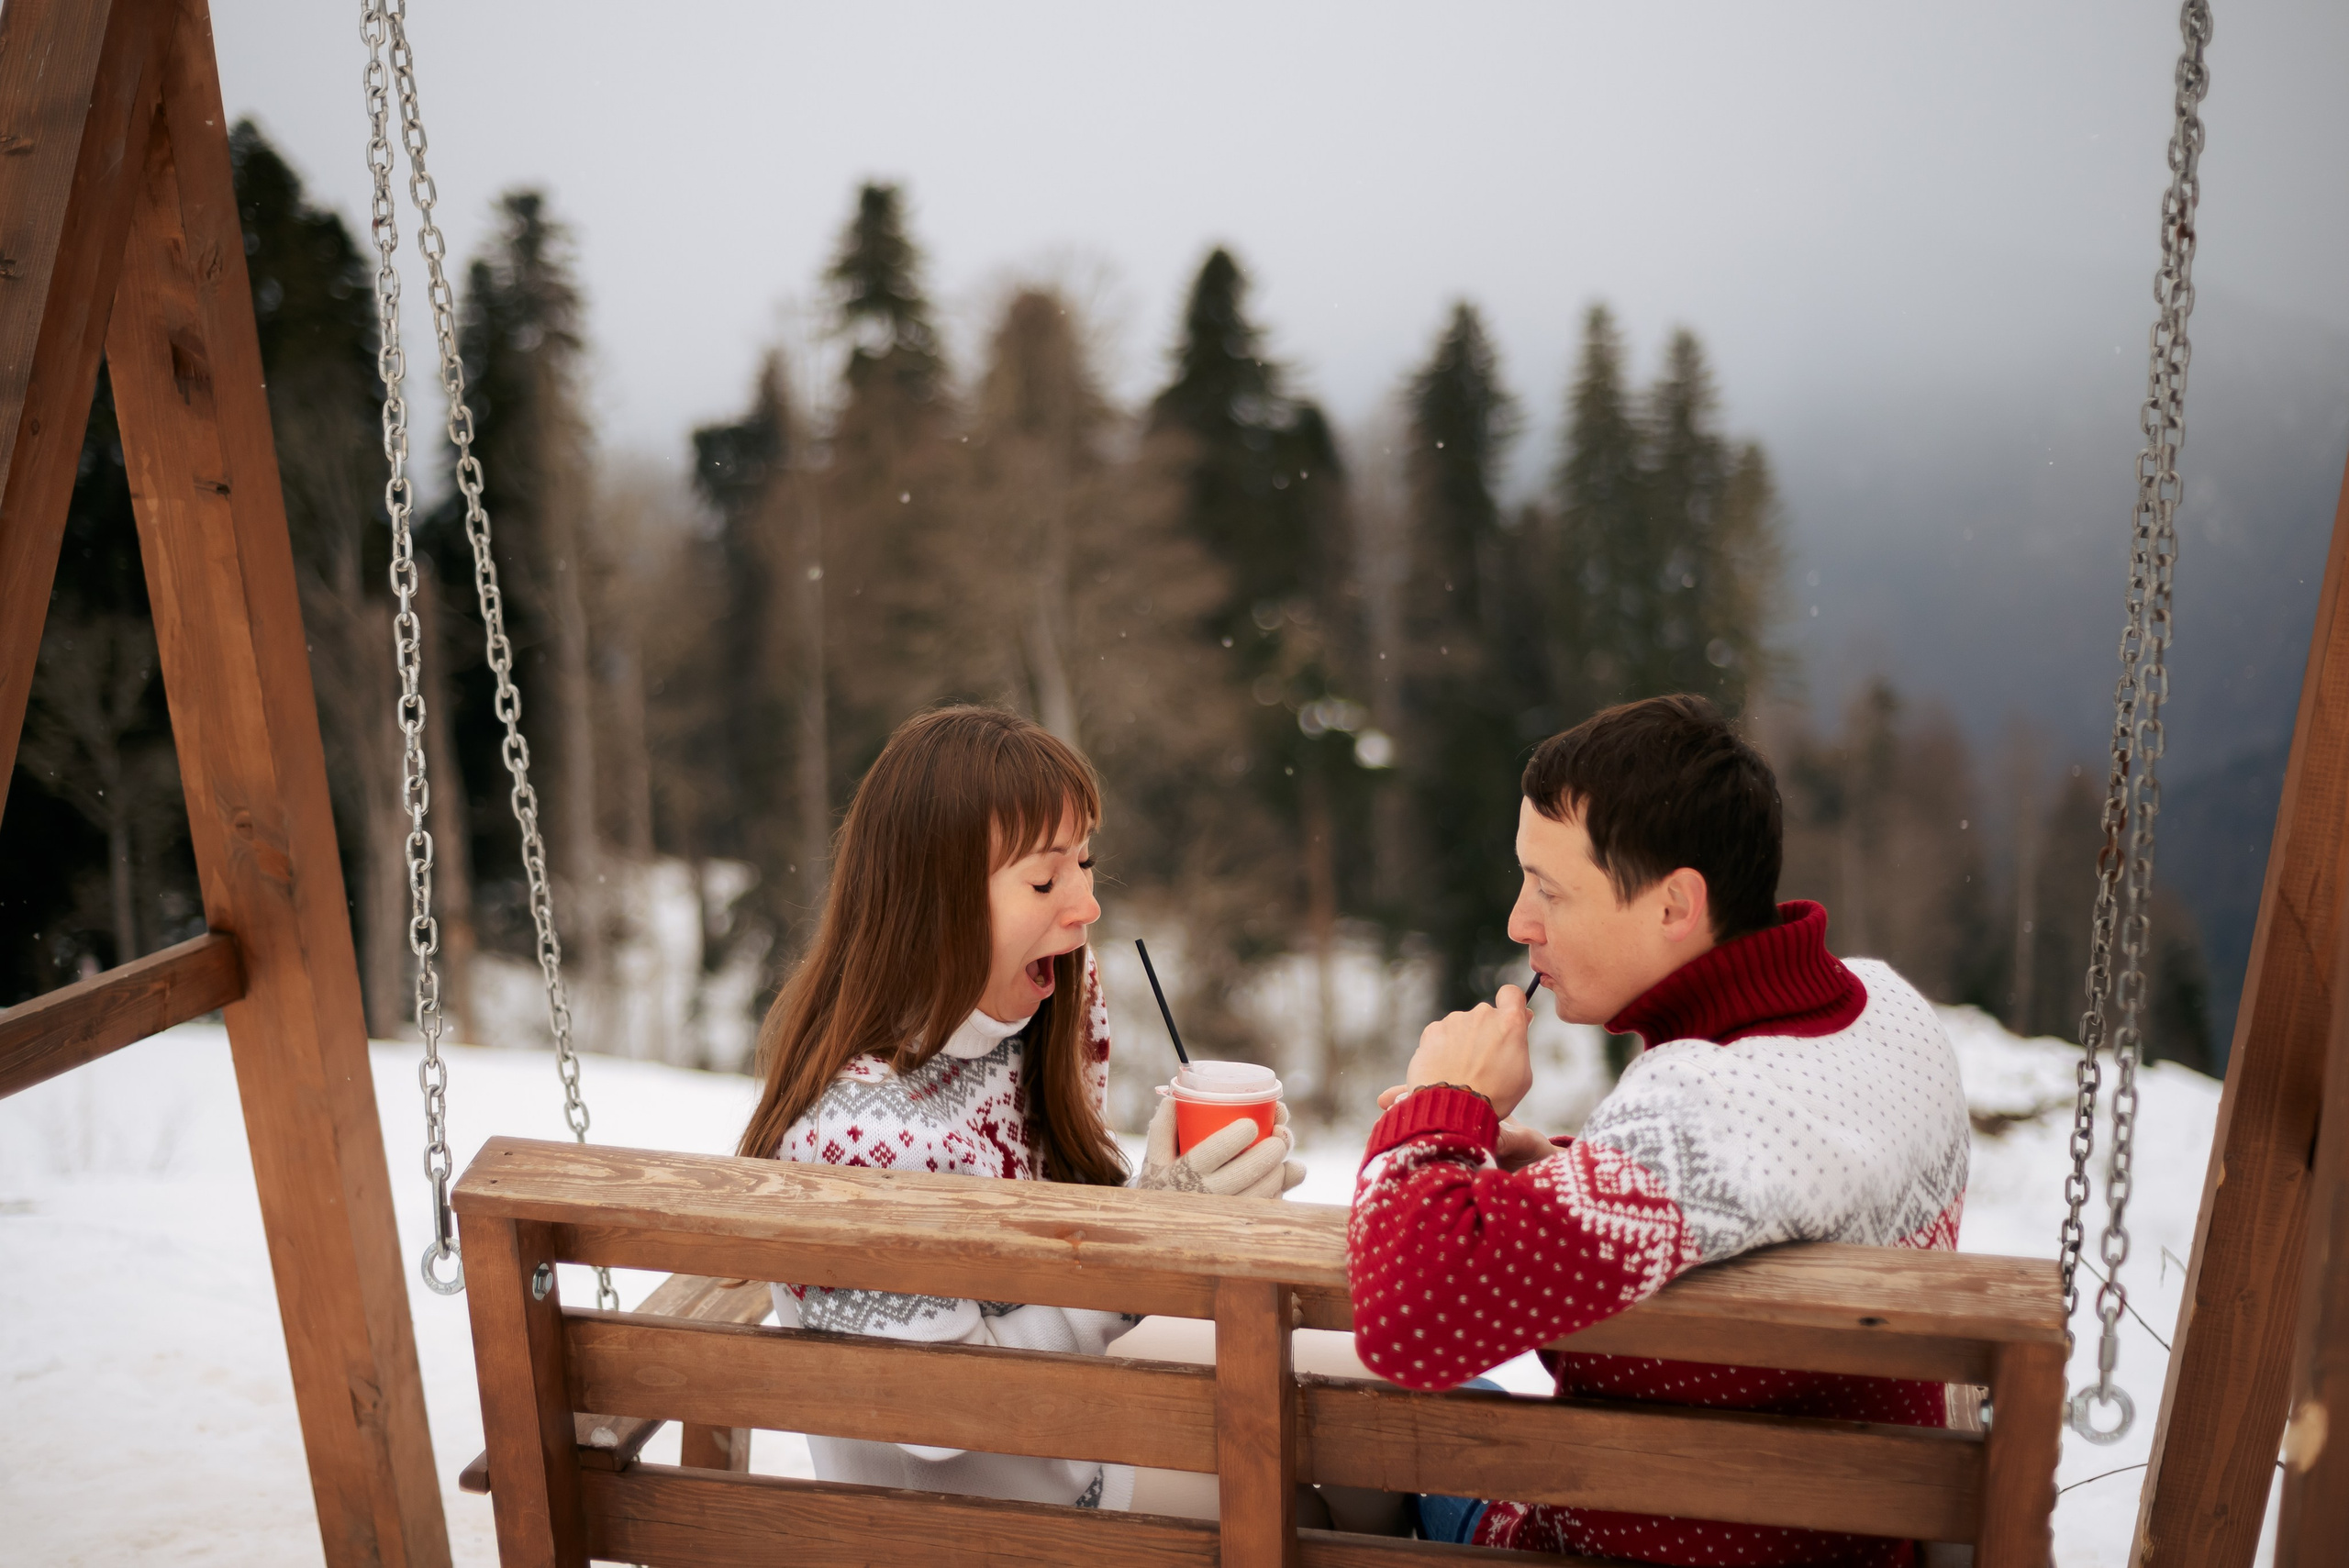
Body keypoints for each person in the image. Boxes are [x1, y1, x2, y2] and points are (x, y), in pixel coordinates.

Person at [1348, 695, 1968, 1565]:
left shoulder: (1702, 1106)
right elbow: (1758, 1192)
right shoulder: (1889, 1012)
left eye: (1550, 890)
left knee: (1342, 1398)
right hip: (1837, 1528)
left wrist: (1441, 1108)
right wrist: (1569, 1168)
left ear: (1676, 904)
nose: (1521, 922)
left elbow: (1406, 1321)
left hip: (1628, 1540)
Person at [738, 705, 1298, 1512]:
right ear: (937, 902)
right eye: (1044, 878)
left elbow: (1057, 1248)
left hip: (1079, 1430)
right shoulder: (864, 1137)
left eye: (1085, 863)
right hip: (1011, 1520)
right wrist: (1150, 1240)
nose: (1085, 905)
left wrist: (1180, 1200)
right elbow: (946, 1414)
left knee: (1354, 1404)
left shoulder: (1032, 1011)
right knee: (1311, 1491)